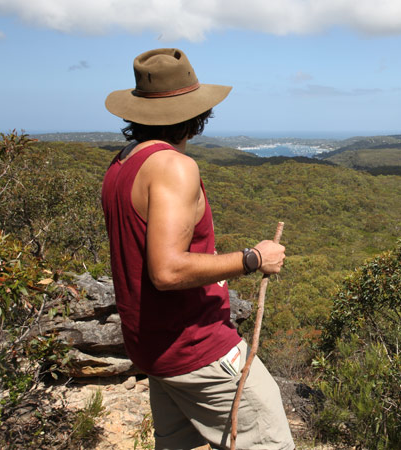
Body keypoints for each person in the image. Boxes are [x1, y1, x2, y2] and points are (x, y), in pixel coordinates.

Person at [101, 48, 295, 450]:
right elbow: (168, 270)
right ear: (195, 113)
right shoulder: (174, 167)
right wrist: (253, 258)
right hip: (198, 349)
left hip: (155, 350)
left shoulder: (121, 164)